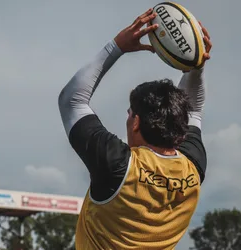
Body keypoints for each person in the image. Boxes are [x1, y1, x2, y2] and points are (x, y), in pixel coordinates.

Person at [58, 8, 212, 250]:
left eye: (130, 113)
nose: (127, 118)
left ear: (137, 121)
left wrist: (117, 46)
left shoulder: (119, 167)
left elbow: (72, 100)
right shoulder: (192, 169)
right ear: (180, 129)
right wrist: (196, 63)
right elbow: (193, 111)